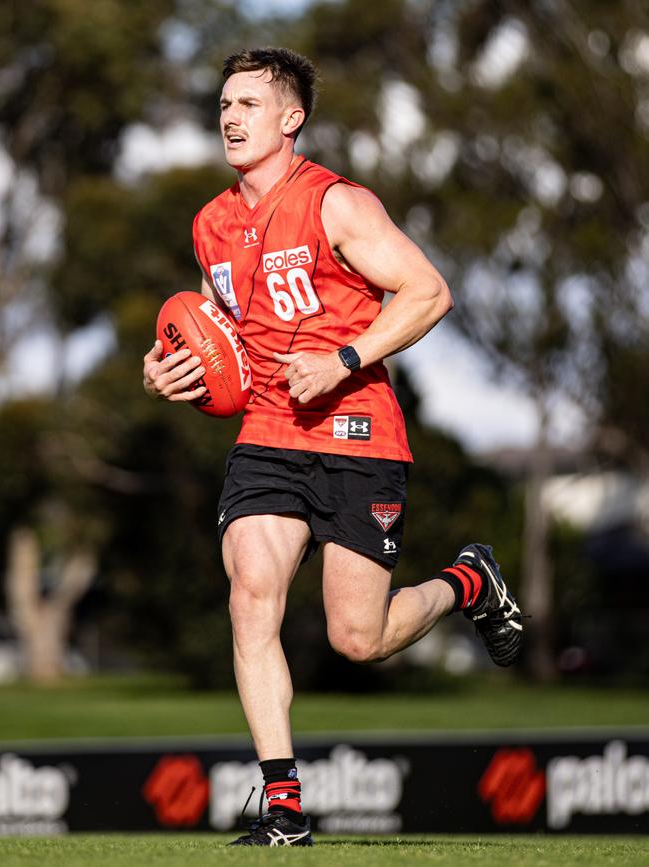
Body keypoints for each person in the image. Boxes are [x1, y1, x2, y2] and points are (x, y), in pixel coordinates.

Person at [143, 47, 523, 847]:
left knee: (359, 637)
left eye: (248, 104)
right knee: (251, 595)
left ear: (292, 119)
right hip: (268, 438)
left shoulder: (336, 205)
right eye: (223, 105)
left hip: (358, 434)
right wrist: (169, 368)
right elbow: (231, 353)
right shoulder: (210, 224)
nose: (229, 118)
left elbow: (429, 291)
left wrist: (344, 359)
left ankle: (468, 579)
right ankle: (284, 807)